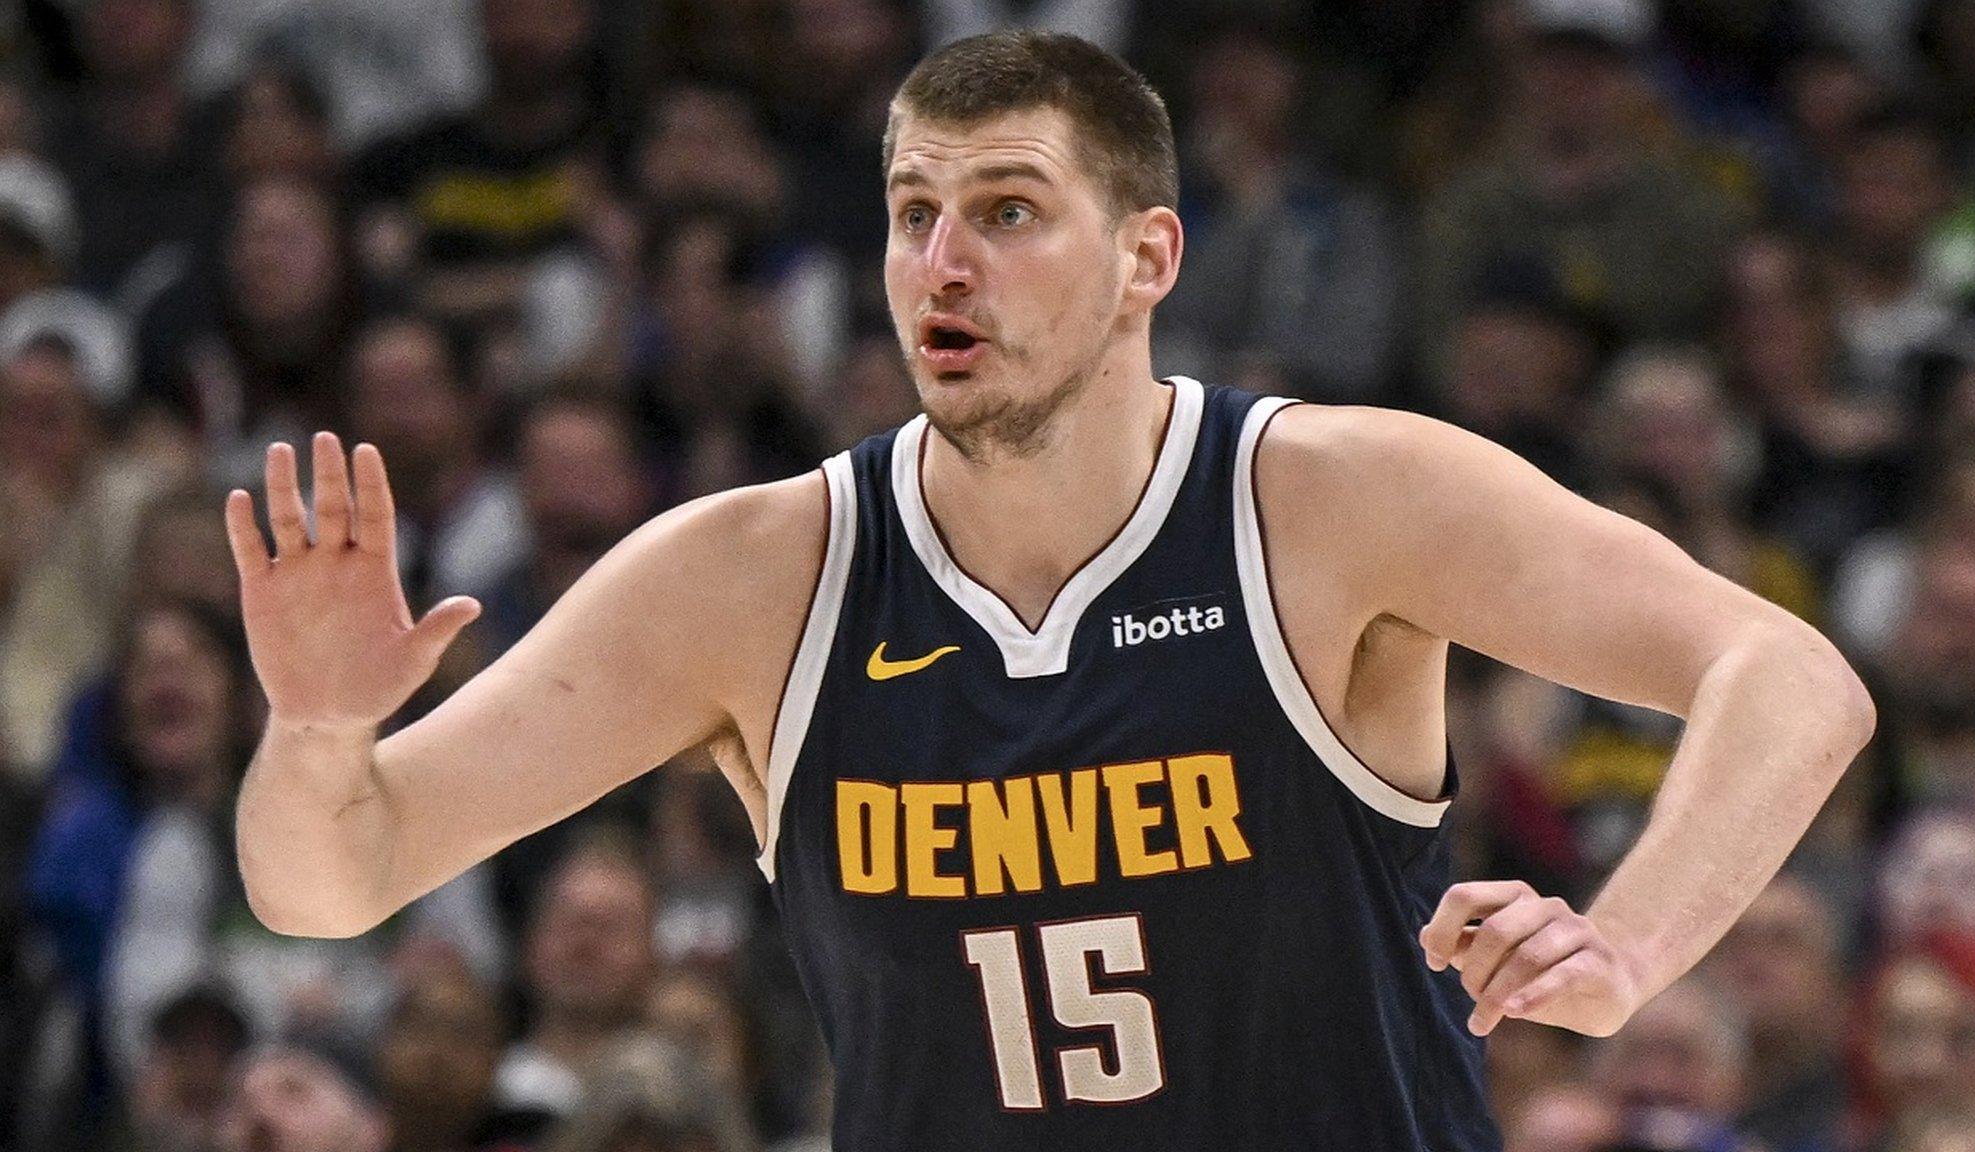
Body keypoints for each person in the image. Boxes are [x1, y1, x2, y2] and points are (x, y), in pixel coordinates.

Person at [229, 31, 1876, 1152]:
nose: (944, 264)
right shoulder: (752, 580)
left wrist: (1631, 947)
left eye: (1008, 212)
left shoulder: (1331, 502)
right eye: (913, 215)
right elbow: (335, 875)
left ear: (1148, 257)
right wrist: (312, 729)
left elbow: (1789, 673)